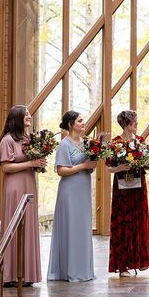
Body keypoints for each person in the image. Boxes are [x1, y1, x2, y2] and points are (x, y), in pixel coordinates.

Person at [0, 105, 46, 288]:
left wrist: (39, 163)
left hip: (29, 184)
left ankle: (26, 275)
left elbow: (30, 162)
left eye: (29, 114)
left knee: (29, 227)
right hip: (15, 187)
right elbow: (6, 167)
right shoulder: (7, 140)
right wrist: (31, 162)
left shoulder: (29, 139)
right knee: (14, 226)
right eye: (25, 114)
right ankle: (10, 275)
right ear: (16, 117)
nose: (29, 116)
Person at [47, 111, 97, 282]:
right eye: (80, 121)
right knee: (71, 227)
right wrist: (84, 165)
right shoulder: (64, 144)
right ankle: (69, 270)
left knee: (82, 228)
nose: (83, 123)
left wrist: (91, 166)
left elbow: (88, 166)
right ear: (70, 124)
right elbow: (61, 170)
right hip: (69, 191)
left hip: (83, 190)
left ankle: (84, 270)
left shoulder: (85, 143)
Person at [108, 110, 149, 277]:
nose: (137, 124)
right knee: (123, 224)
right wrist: (119, 168)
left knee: (139, 222)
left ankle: (140, 260)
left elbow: (147, 161)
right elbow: (109, 167)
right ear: (126, 124)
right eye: (134, 121)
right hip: (122, 188)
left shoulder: (140, 141)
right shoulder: (115, 143)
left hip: (139, 186)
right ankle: (123, 265)